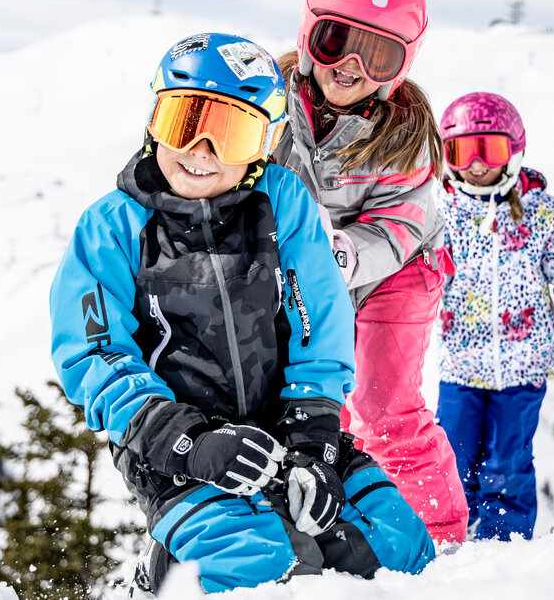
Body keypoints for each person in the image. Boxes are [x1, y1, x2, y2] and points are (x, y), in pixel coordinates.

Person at [49, 32, 435, 596]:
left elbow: (318, 320)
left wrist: (315, 437)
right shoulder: (111, 227)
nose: (202, 150)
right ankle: (161, 575)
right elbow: (94, 354)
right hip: (172, 446)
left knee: (399, 550)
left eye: (230, 133)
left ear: (264, 143)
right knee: (259, 566)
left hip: (285, 427)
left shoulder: (283, 203)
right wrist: (186, 441)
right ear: (155, 120)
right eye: (185, 123)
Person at [273, 0, 470, 546]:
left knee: (384, 406)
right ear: (310, 36)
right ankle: (325, 531)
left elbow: (397, 225)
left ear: (401, 65)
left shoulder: (403, 131)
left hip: (399, 271)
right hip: (304, 271)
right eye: (337, 42)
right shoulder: (270, 103)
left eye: (377, 55)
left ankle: (441, 537)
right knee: (300, 401)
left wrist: (334, 254)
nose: (351, 67)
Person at [435, 91, 554, 541]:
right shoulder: (440, 213)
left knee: (507, 459)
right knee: (452, 457)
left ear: (513, 151)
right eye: (463, 151)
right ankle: (453, 536)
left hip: (524, 367)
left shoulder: (541, 213)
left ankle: (503, 544)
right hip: (461, 363)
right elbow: (416, 277)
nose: (477, 164)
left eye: (489, 150)